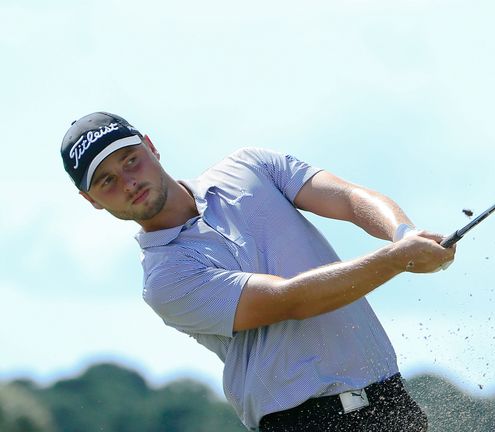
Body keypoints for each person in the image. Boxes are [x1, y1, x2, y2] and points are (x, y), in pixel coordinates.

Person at [60, 112, 456, 431]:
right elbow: (291, 300)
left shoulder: (249, 167)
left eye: (131, 160)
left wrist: (403, 234)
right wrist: (395, 259)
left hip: (390, 402)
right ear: (90, 200)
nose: (130, 182)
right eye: (107, 180)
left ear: (151, 146)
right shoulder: (165, 280)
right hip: (303, 423)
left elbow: (350, 199)